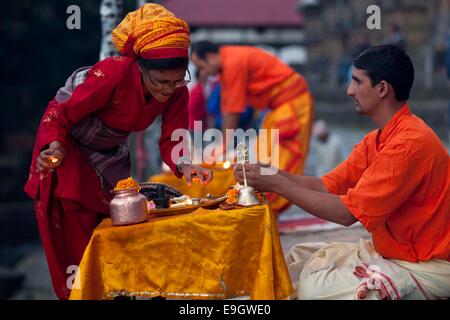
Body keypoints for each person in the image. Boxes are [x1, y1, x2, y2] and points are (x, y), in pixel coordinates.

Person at [24, 4, 212, 300]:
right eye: (161, 82)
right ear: (141, 68)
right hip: (68, 148)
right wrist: (54, 145)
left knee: (118, 223)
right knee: (77, 231)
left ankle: (117, 290)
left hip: (109, 155)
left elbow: (172, 137)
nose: (168, 90)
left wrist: (184, 164)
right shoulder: (114, 73)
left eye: (177, 81)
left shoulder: (177, 90)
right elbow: (62, 111)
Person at [234, 45, 450, 299]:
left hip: (426, 266)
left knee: (311, 291)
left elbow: (346, 214)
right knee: (293, 259)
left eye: (357, 82)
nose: (349, 91)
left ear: (381, 89)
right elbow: (328, 185)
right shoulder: (377, 139)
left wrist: (278, 186)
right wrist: (273, 174)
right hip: (389, 252)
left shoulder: (409, 144)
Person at [191, 41, 314, 214]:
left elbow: (232, 111)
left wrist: (223, 145)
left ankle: (270, 211)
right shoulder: (228, 62)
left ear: (211, 57)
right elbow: (228, 107)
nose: (203, 72)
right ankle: (267, 210)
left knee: (282, 163)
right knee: (263, 158)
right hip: (278, 109)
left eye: (201, 66)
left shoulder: (232, 62)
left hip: (292, 106)